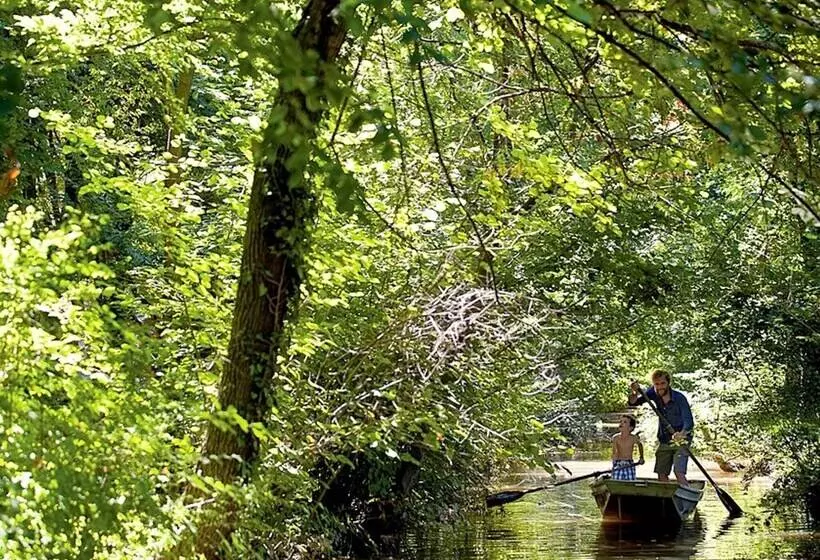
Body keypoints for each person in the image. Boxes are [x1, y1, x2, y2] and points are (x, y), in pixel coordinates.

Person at [628, 369, 694, 486]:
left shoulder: (679, 398)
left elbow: (689, 421)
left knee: (678, 472)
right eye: (657, 384)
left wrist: (682, 433)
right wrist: (635, 391)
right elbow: (633, 402)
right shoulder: (653, 393)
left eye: (663, 383)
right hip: (664, 438)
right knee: (661, 473)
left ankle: (687, 492)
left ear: (668, 383)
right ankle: (665, 494)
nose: (660, 387)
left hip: (682, 439)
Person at [611, 414, 644, 480]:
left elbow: (640, 445)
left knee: (630, 481)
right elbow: (614, 452)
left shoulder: (633, 438)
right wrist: (614, 463)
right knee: (616, 480)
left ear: (630, 428)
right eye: (620, 421)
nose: (621, 423)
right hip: (619, 463)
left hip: (629, 463)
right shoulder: (615, 438)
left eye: (625, 422)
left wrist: (641, 457)